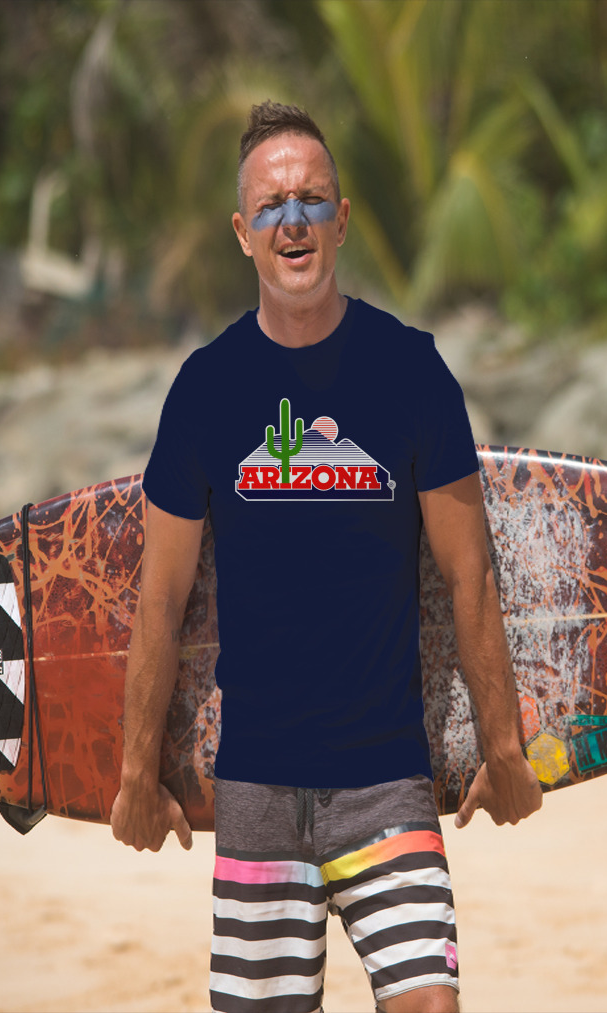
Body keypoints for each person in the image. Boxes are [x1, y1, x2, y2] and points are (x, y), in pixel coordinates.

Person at [111, 100, 542, 1013]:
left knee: (431, 1003)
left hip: (386, 780)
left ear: (342, 219)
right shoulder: (205, 390)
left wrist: (503, 745)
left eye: (312, 200)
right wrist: (133, 772)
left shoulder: (412, 371)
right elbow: (161, 600)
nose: (293, 220)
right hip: (258, 789)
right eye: (271, 206)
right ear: (242, 233)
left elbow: (470, 575)